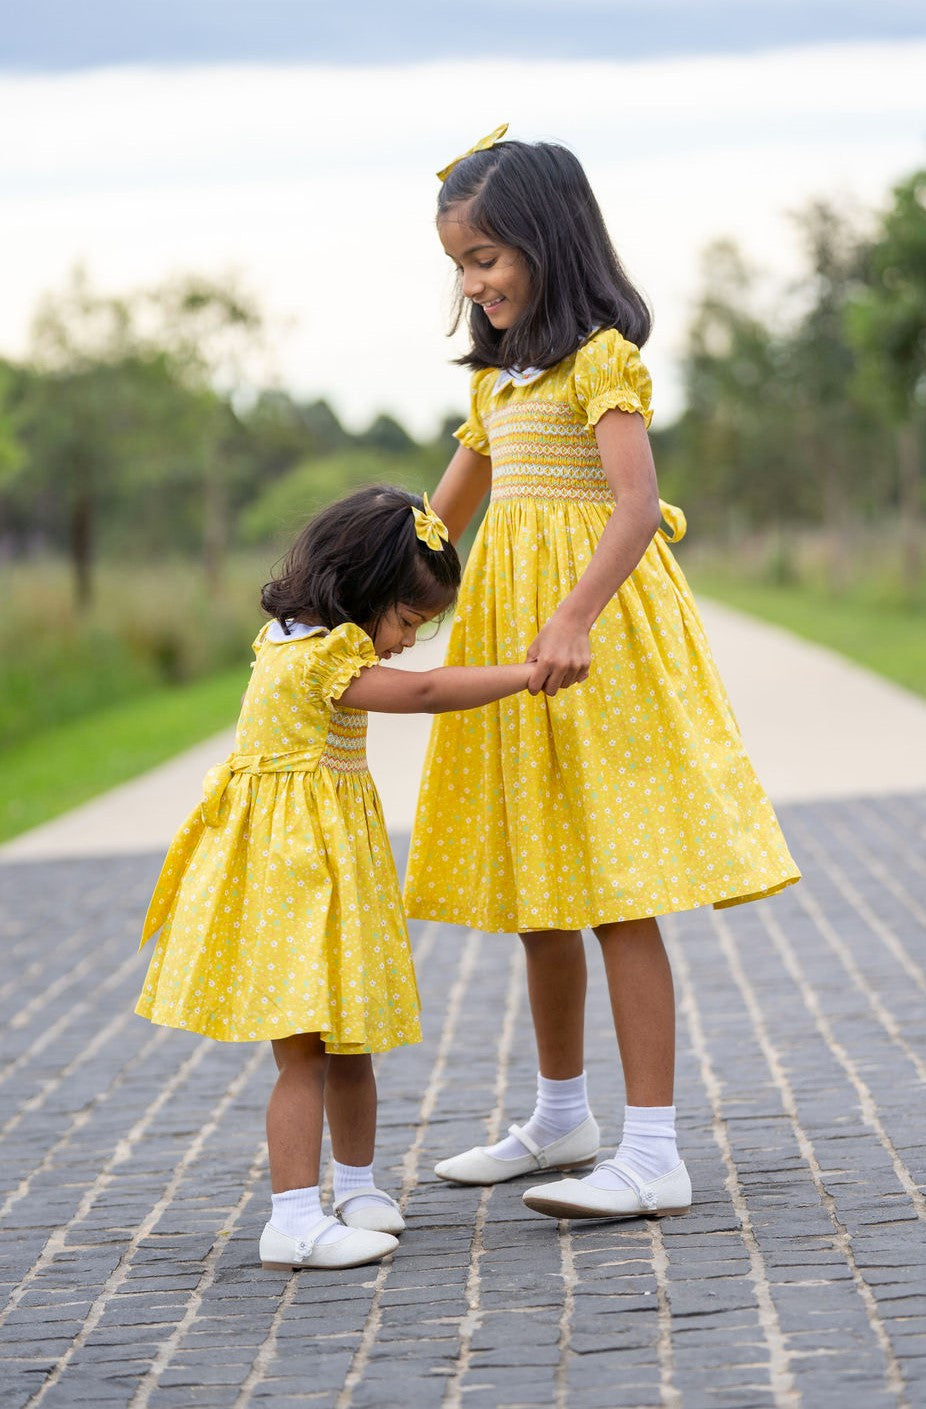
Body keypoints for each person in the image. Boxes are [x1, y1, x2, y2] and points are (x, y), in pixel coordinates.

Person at [404, 126, 801, 1222]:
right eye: (458, 266)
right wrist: (353, 605)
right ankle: (562, 1113)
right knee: (542, 887)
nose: (473, 281)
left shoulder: (600, 361)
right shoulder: (495, 386)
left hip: (594, 644)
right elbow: (441, 522)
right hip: (513, 646)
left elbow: (633, 505)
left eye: (486, 257)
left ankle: (655, 1149)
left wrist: (573, 610)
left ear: (545, 237)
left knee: (615, 887)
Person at [136, 485, 560, 1270]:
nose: (407, 642)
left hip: (326, 865)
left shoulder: (290, 636)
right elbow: (427, 693)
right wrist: (527, 672)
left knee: (349, 1034)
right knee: (305, 1052)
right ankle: (293, 1218)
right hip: (294, 874)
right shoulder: (320, 655)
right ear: (359, 591)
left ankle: (358, 1187)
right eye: (406, 621)